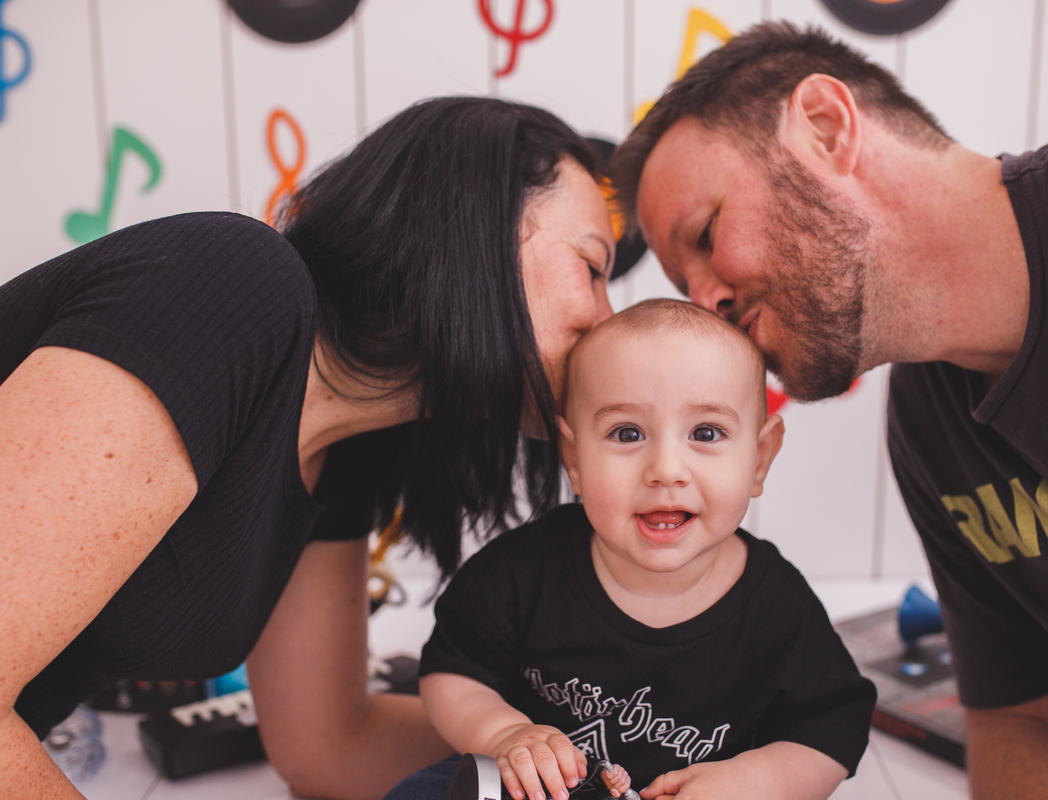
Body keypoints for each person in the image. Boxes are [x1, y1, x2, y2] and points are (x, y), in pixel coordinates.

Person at [612, 17, 1048, 799]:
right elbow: (1036, 723)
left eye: (707, 234)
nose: (707, 302)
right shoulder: (931, 434)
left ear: (825, 127)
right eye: (686, 289)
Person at [0, 97, 617, 800]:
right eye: (594, 271)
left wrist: (582, 749)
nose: (606, 324)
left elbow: (329, 746)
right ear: (478, 226)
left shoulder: (350, 445)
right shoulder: (231, 287)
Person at [387, 299, 876, 800]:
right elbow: (451, 672)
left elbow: (832, 728)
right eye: (627, 433)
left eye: (706, 433)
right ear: (574, 458)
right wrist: (504, 734)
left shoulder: (778, 607)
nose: (665, 469)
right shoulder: (523, 570)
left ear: (759, 459)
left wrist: (755, 781)